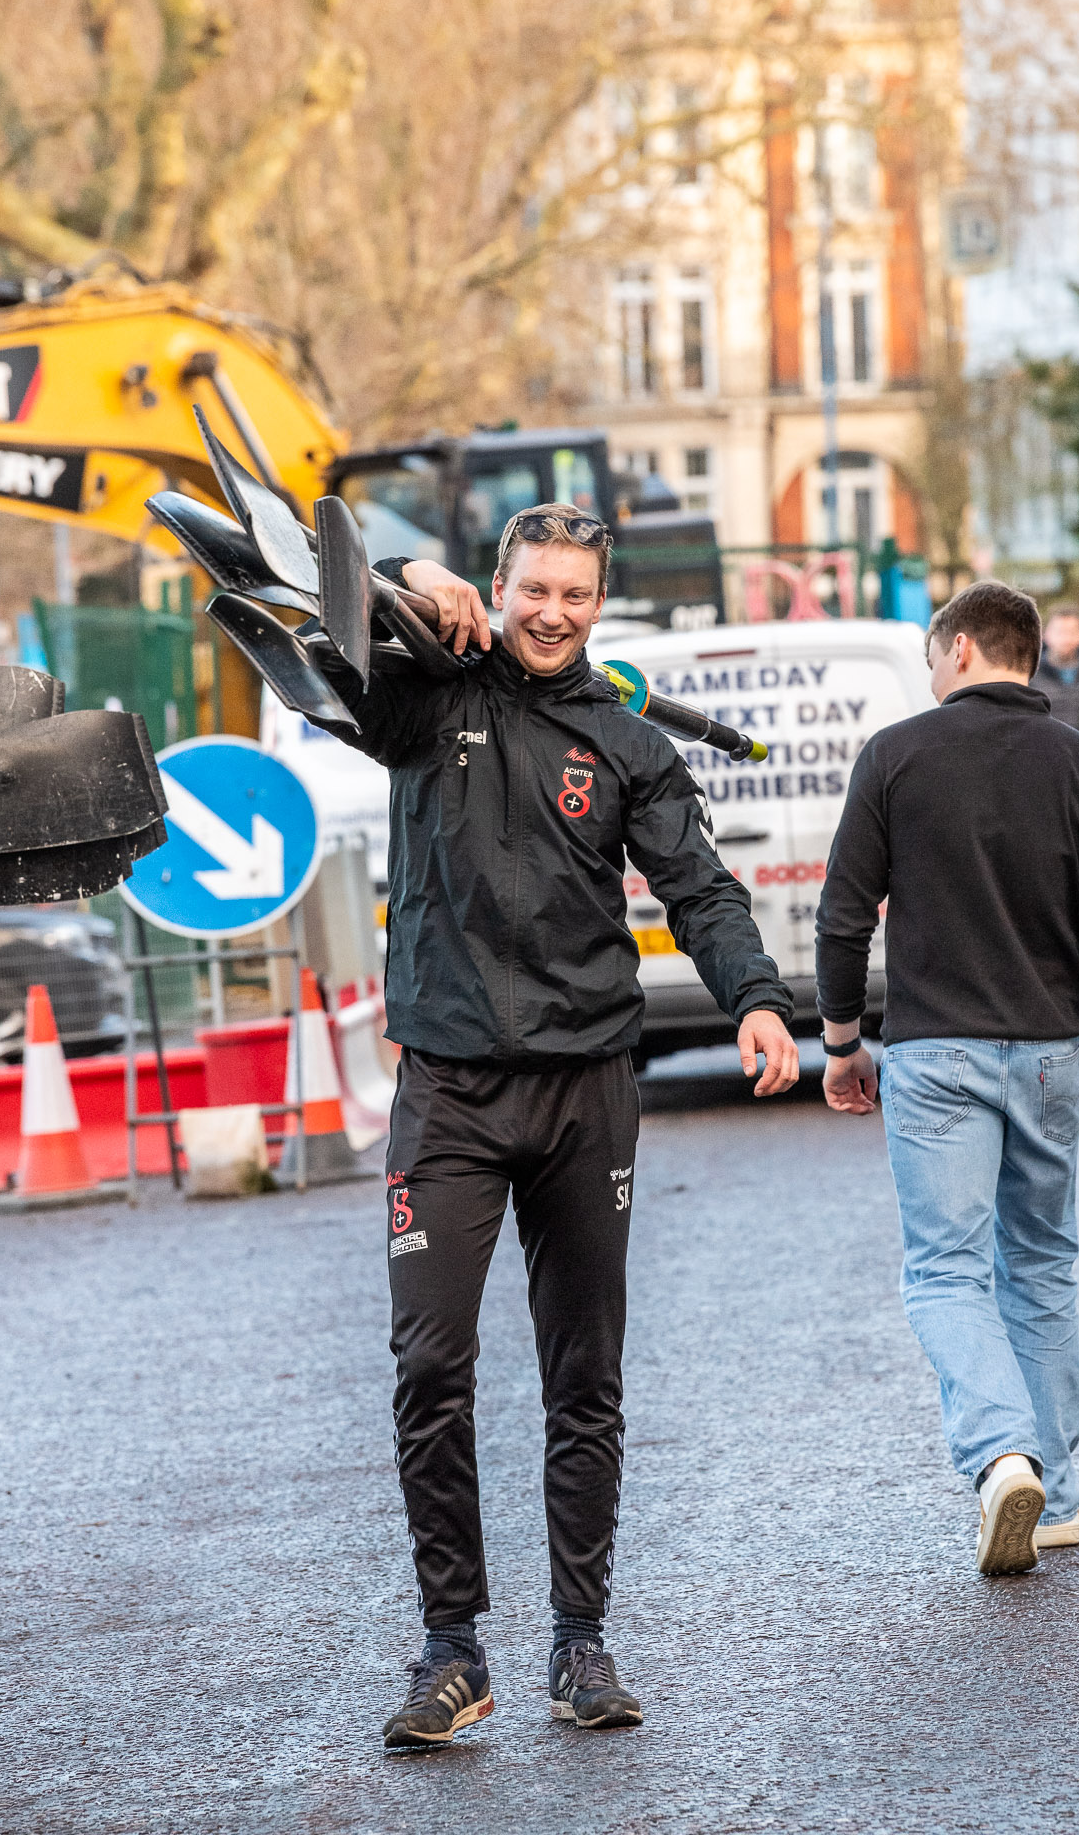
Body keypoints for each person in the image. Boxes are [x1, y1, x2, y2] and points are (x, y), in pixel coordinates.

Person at [321, 502, 799, 1750]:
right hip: (452, 1092)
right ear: (499, 583)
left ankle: (580, 1639)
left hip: (589, 1088)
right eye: (532, 588)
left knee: (584, 1376)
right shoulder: (424, 701)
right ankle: (451, 1649)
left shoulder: (629, 745)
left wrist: (754, 996)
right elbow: (322, 613)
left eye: (576, 596)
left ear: (600, 602)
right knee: (431, 1364)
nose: (551, 613)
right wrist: (404, 572)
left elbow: (698, 885)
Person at [815, 581, 1079, 1576]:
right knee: (1042, 1262)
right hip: (1052, 1051)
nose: (930, 674)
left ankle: (1001, 1450)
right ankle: (1052, 1494)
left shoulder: (896, 755)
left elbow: (844, 915)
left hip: (933, 1051)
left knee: (944, 1269)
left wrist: (842, 1042)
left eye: (933, 656)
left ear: (961, 648)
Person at [1031, 603, 1079, 738]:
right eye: (1059, 632)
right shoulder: (1031, 674)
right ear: (1045, 634)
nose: (1066, 639)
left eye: (1072, 632)